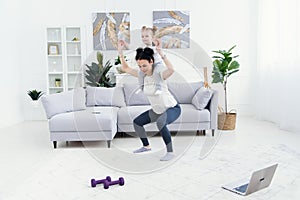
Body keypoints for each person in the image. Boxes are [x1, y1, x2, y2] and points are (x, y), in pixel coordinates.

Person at [117, 39, 181, 161]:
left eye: (144, 65)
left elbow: (171, 70)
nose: (142, 68)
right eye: (140, 66)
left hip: (172, 108)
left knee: (161, 123)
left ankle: (170, 152)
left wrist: (161, 52)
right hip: (157, 110)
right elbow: (125, 68)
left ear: (151, 62)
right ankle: (146, 146)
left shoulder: (160, 74)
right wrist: (120, 52)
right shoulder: (142, 75)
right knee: (137, 122)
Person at [136, 26, 164, 95]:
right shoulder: (143, 48)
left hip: (157, 64)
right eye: (142, 36)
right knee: (140, 73)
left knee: (156, 73)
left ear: (152, 38)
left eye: (146, 36)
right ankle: (141, 88)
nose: (144, 38)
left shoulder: (155, 47)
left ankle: (159, 89)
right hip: (149, 65)